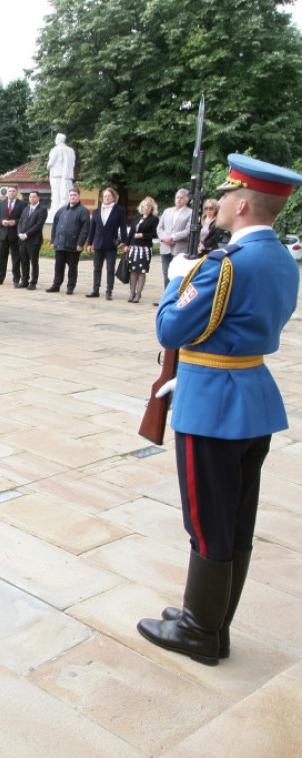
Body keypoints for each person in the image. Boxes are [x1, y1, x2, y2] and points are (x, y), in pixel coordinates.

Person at [137, 154, 302, 666]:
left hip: (212, 404)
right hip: (252, 397)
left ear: (244, 203)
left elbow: (170, 329)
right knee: (235, 520)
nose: (222, 201)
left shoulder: (225, 264)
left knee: (207, 522)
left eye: (228, 195)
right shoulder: (282, 259)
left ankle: (199, 632)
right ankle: (212, 621)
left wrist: (179, 280)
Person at [85, 187, 128, 299]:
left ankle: (109, 291)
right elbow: (92, 228)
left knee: (110, 269)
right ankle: (95, 289)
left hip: (111, 243)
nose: (107, 198)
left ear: (113, 197)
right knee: (97, 268)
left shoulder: (120, 210)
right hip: (98, 243)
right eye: (105, 196)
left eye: (109, 196)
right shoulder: (96, 211)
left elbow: (123, 227)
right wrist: (89, 243)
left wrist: (124, 241)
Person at [46, 187, 91, 294]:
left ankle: (70, 287)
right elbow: (55, 226)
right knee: (58, 267)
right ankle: (56, 285)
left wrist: (80, 243)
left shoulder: (83, 211)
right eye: (71, 195)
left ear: (79, 196)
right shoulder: (62, 210)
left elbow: (85, 229)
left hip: (73, 245)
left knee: (72, 268)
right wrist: (53, 241)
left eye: (75, 195)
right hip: (60, 244)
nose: (72, 197)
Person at [125, 196, 159, 303]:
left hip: (144, 248)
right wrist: (127, 244)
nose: (146, 208)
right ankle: (131, 293)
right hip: (134, 247)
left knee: (141, 271)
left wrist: (143, 235)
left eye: (148, 206)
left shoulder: (154, 219)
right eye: (144, 206)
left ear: (152, 207)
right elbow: (131, 232)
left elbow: (155, 234)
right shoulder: (137, 217)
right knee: (133, 270)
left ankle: (138, 294)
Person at [157, 188, 192, 287]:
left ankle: (175, 296)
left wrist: (173, 237)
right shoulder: (167, 211)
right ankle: (166, 295)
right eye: (177, 197)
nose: (179, 199)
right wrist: (165, 238)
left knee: (176, 273)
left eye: (181, 198)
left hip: (179, 247)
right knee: (165, 271)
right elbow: (160, 227)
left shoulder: (190, 213)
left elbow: (188, 230)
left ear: (187, 200)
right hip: (165, 247)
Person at [0, 187, 26, 286]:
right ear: (7, 193)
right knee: (2, 257)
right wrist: (1, 222)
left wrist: (15, 222)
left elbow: (24, 218)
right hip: (3, 234)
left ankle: (16, 279)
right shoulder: (2, 204)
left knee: (16, 258)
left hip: (15, 234)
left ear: (17, 192)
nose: (11, 193)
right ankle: (0, 278)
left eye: (13, 191)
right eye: (10, 191)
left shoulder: (22, 204)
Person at [16, 190, 47, 289]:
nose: (31, 199)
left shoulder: (42, 209)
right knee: (24, 261)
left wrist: (27, 234)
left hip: (33, 240)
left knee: (33, 261)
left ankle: (33, 282)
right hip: (22, 239)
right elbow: (20, 222)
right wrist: (20, 233)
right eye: (30, 197)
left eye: (34, 197)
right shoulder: (26, 209)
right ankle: (24, 280)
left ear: (38, 198)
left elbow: (38, 225)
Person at [46, 133, 76, 224]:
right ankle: (63, 209)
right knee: (65, 193)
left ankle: (55, 210)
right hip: (68, 175)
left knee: (56, 194)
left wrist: (48, 166)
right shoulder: (71, 150)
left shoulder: (56, 149)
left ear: (58, 140)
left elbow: (50, 163)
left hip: (56, 175)